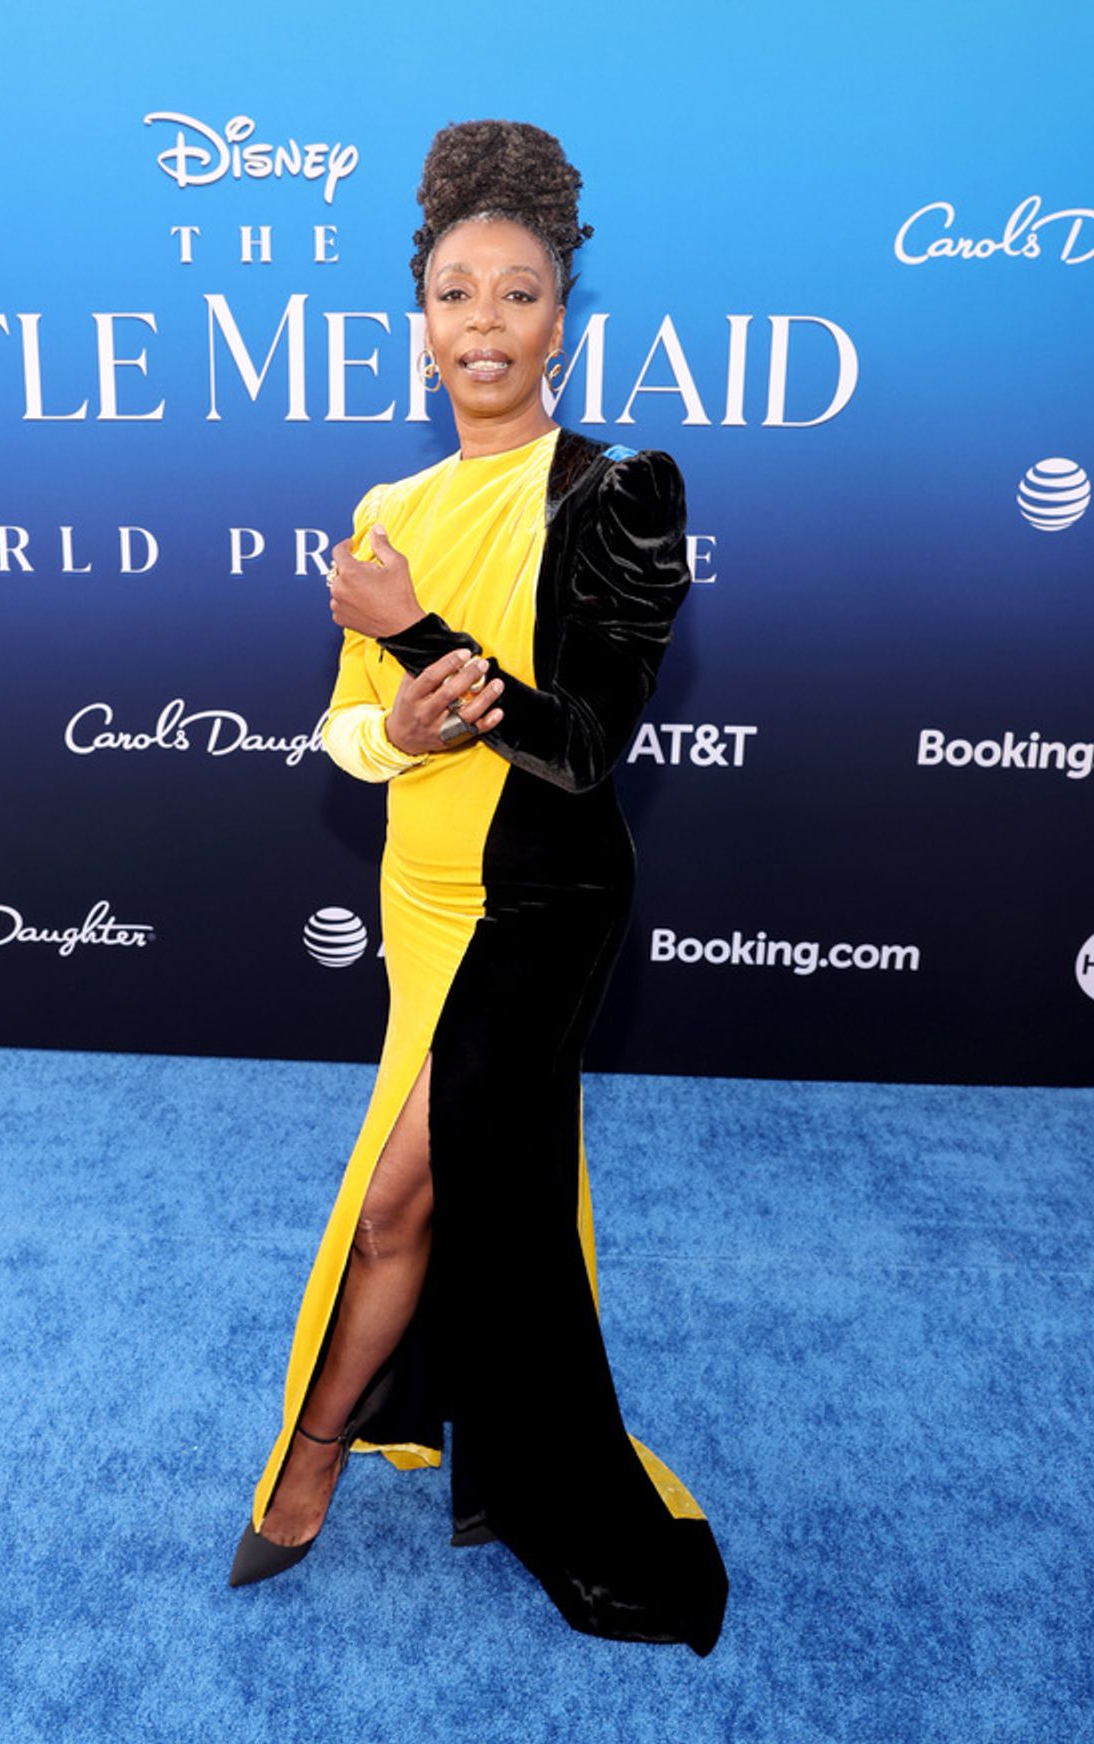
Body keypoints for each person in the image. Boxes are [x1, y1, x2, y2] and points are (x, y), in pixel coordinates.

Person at [229, 118, 729, 1656]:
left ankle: (311, 1470)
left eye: (519, 295)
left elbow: (583, 748)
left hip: (543, 906)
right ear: (422, 321)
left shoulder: (622, 489)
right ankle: (398, 1452)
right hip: (423, 901)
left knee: (403, 1195)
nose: (486, 325)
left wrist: (422, 635)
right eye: (458, 294)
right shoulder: (390, 507)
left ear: (563, 324)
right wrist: (397, 715)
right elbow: (345, 735)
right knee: (452, 1200)